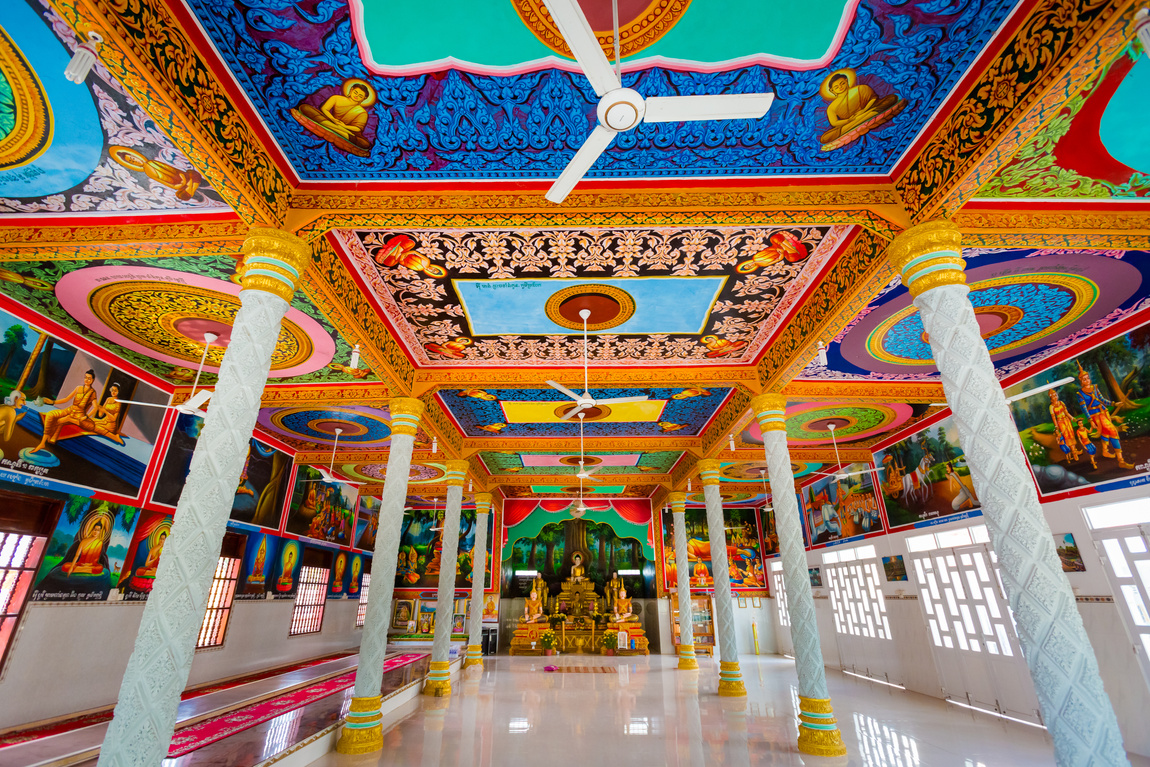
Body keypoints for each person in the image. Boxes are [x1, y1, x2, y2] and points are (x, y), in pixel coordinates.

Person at [1076, 363, 1135, 468]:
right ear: (1081, 381)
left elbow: (1102, 400)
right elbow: (1084, 408)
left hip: (1103, 411)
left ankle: (1105, 451)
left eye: (1087, 378)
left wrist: (1113, 404)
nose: (1086, 380)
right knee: (1112, 431)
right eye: (1083, 379)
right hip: (1094, 415)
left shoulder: (1095, 387)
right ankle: (1121, 460)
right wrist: (1090, 420)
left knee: (1105, 432)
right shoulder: (1080, 394)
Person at [32, 370, 98, 453]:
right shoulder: (78, 388)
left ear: (92, 380)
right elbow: (66, 399)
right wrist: (52, 402)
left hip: (79, 415)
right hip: (70, 409)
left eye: (89, 378)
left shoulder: (93, 393)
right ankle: (42, 443)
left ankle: (58, 431)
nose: (86, 380)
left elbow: (95, 407)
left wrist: (85, 417)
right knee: (50, 414)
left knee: (61, 421)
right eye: (85, 378)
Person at [1048, 390, 1081, 462]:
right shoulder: (1051, 407)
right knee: (1066, 436)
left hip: (1067, 420)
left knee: (1071, 434)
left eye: (1055, 395)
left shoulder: (1061, 403)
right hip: (1060, 422)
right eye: (1053, 396)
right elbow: (1054, 418)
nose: (1055, 397)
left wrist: (1072, 418)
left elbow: (1066, 412)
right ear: (1051, 398)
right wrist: (1056, 427)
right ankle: (1073, 452)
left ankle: (1074, 450)